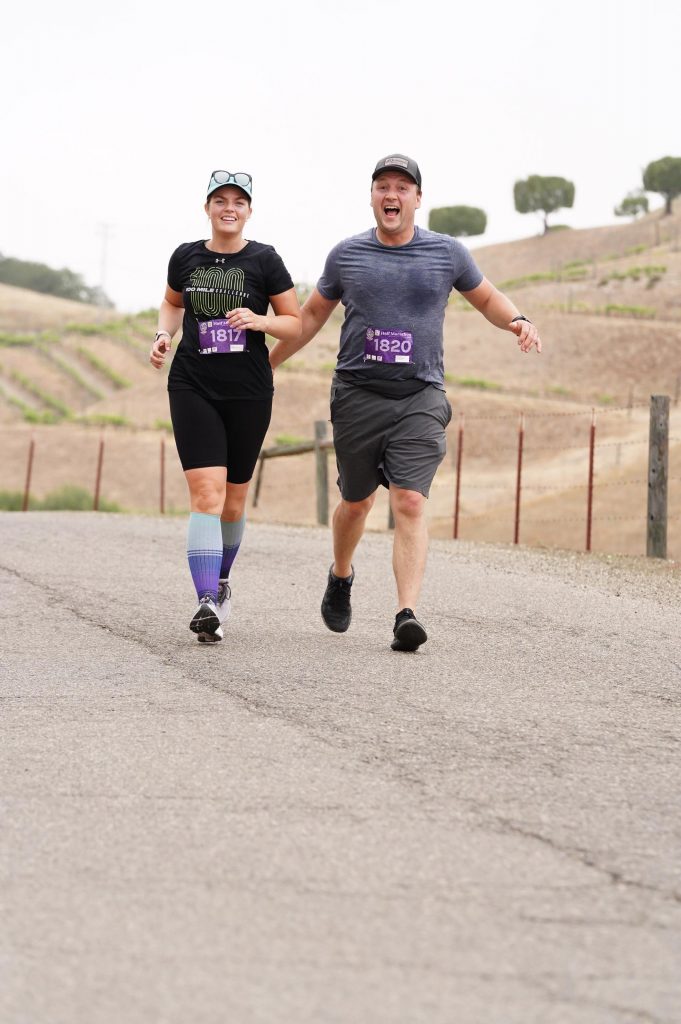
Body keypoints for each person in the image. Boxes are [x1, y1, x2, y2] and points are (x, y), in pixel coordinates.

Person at [270, 153, 541, 653]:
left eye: (401, 187)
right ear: (372, 197)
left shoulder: (447, 254)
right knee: (357, 502)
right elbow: (308, 319)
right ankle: (341, 574)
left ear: (418, 198)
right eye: (382, 187)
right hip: (356, 394)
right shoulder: (346, 256)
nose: (391, 195)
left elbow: (485, 298)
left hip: (420, 394)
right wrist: (266, 364)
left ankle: (406, 614)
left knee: (410, 500)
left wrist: (517, 320)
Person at [150, 170, 301, 643]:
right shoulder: (186, 256)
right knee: (207, 495)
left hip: (249, 391)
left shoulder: (265, 260)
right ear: (208, 208)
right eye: (220, 200)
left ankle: (221, 581)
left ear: (249, 210)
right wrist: (162, 335)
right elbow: (172, 305)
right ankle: (205, 602)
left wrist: (260, 320)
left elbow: (294, 324)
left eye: (238, 200)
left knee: (234, 498)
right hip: (193, 384)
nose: (229, 207)